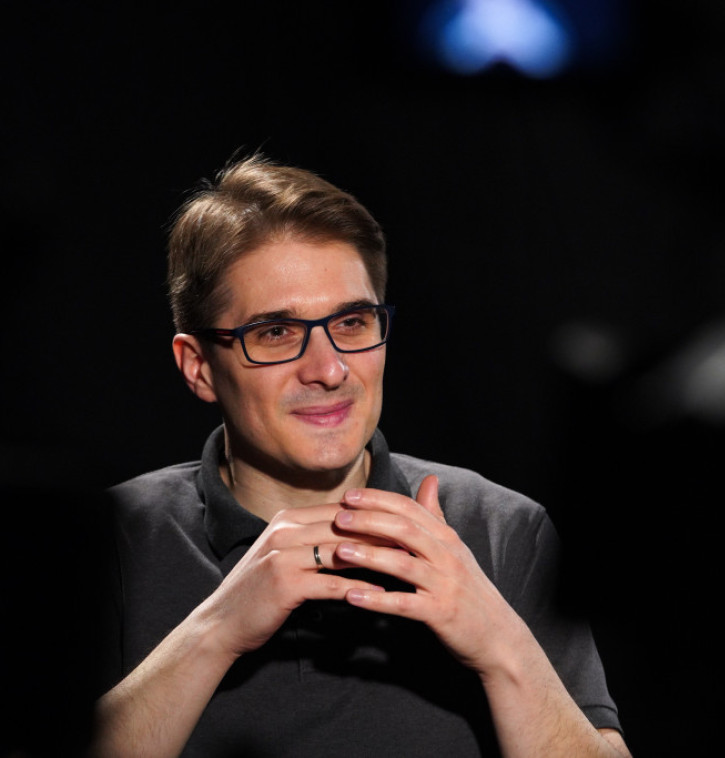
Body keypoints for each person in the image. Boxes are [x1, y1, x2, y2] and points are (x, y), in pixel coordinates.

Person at [92, 155, 629, 758]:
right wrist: (216, 630)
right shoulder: (110, 540)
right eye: (275, 332)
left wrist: (504, 647)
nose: (329, 369)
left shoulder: (504, 531)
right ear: (198, 367)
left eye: (351, 322)